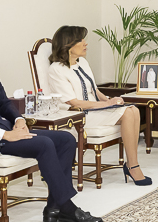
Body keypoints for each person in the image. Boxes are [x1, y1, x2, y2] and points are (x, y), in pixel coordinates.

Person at [0, 20, 102, 222]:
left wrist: (19, 120)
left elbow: (4, 102)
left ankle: (53, 207)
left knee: (67, 139)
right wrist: (4, 135)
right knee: (45, 144)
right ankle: (67, 208)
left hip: (7, 128)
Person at [47, 25, 151, 186]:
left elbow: (94, 90)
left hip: (96, 109)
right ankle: (133, 167)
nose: (85, 43)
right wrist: (106, 104)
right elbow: (73, 102)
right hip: (79, 115)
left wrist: (110, 99)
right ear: (68, 44)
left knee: (134, 110)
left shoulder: (83, 62)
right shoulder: (56, 70)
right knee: (129, 113)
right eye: (81, 40)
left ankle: (131, 164)